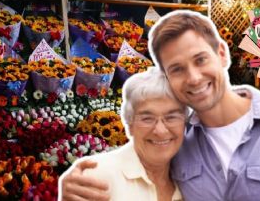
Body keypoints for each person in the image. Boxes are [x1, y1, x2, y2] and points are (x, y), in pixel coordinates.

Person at [60, 10, 260, 201]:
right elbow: (139, 158)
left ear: (222, 54)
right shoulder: (177, 142)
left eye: (200, 59)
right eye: (177, 69)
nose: (193, 77)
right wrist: (76, 183)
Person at [60, 67, 189, 201]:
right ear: (130, 124)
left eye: (171, 117)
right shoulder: (100, 178)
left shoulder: (194, 181)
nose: (160, 130)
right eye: (147, 118)